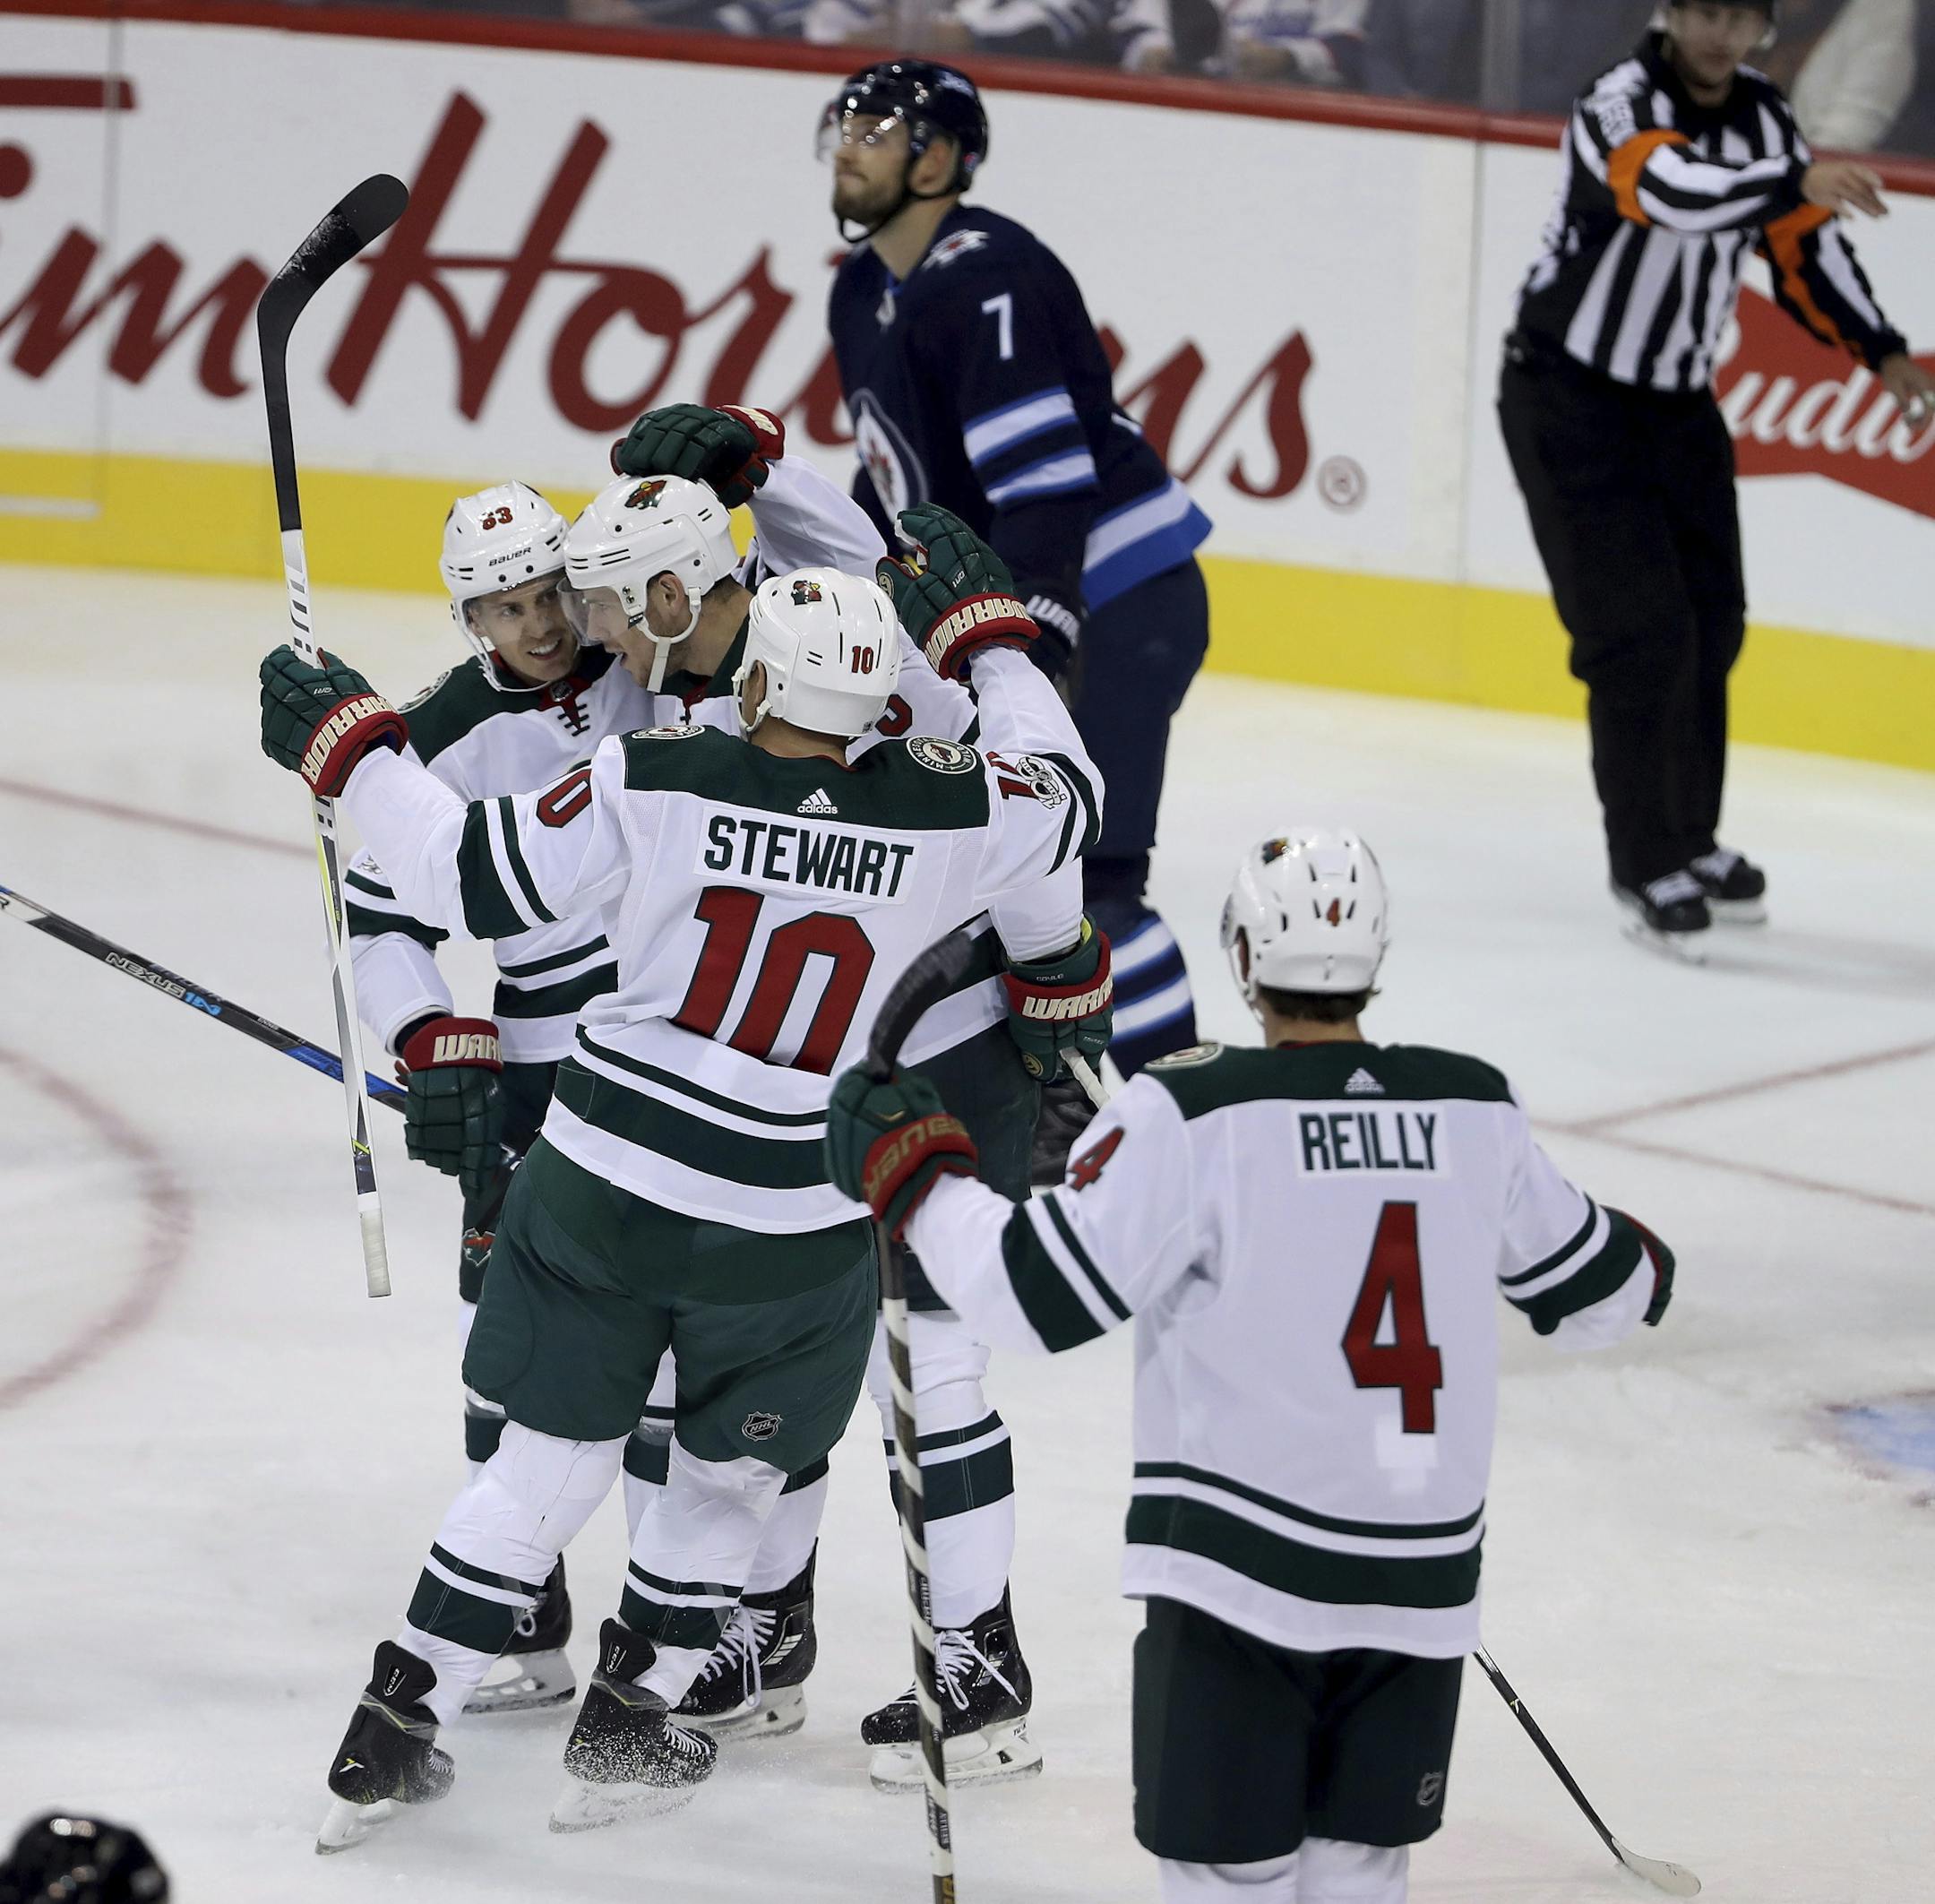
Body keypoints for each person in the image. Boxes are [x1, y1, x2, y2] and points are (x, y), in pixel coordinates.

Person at [258, 503, 1102, 1844]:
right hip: (788, 1223)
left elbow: (456, 869)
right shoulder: (956, 816)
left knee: (546, 1456)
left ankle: (400, 1715)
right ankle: (632, 1722)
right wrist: (991, 644)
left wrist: (348, 743)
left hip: (596, 1191)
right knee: (726, 1478)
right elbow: (1067, 802)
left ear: (756, 675)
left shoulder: (655, 783)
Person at [825, 829, 1678, 1904]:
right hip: (1418, 1584)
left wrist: (915, 1177)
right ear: (1377, 957)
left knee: (1229, 1876)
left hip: (1239, 1579)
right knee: (1363, 1869)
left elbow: (1032, 1297)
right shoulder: (1473, 1109)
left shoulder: (1197, 1115)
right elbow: (1617, 1289)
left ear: (1240, 955)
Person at [606, 409, 1113, 1778]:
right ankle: (767, 1631)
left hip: (937, 1053)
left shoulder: (849, 678)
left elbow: (1049, 799)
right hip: (806, 1064)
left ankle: (976, 1656)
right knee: (767, 1351)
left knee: (931, 1369)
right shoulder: (821, 660)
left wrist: (1054, 981)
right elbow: (1055, 799)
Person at [342, 435, 884, 1714]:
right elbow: (382, 908)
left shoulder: (658, 663)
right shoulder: (444, 734)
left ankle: (738, 1628)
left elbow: (829, 606)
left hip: (694, 1049)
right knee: (504, 1342)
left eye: (551, 595)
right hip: (539, 1064)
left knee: (692, 1375)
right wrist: (429, 1037)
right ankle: (527, 1622)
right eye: (506, 606)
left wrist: (766, 483)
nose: (539, 626)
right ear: (466, 614)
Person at [1498, 0, 1934, 951]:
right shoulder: (1619, 101)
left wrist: (1884, 351)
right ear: (1672, 13)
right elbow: (1669, 190)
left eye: (1741, 18)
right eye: (1704, 12)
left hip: (1679, 408)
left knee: (1711, 622)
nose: (1720, 36)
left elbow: (1801, 249)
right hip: (1571, 403)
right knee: (1635, 636)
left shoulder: (1767, 118)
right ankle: (1644, 860)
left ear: (1763, 28)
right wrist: (1794, 177)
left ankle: (1691, 839)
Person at [815, 59, 1211, 1105]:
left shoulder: (986, 277)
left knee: (1096, 881)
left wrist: (1038, 649)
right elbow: (895, 472)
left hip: (1118, 598)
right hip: (1026, 611)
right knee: (1010, 875)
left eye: (876, 128)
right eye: (844, 124)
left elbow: (1042, 488)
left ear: (938, 158)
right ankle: (1071, 1091)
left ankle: (1180, 1111)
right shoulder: (863, 286)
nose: (850, 143)